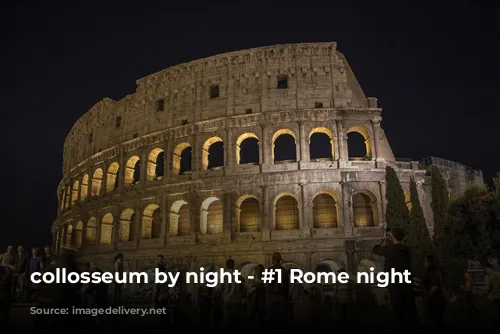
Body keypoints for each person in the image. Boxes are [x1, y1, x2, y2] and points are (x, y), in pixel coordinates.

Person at [372, 227, 420, 329]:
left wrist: (383, 239)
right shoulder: (408, 249)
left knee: (399, 311)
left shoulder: (389, 250)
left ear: (392, 236)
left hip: (395, 284)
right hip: (407, 282)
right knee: (411, 310)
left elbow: (375, 249)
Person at [422, 254, 446, 329]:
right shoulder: (432, 271)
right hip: (435, 300)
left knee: (436, 322)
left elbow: (434, 287)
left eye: (426, 261)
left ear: (429, 262)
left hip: (436, 301)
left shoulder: (433, 272)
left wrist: (427, 297)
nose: (424, 263)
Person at [265, 252, 290, 324]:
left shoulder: (269, 270)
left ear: (273, 260)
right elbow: (287, 287)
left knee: (270, 319)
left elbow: (266, 285)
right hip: (282, 297)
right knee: (281, 320)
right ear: (280, 260)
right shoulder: (285, 271)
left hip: (271, 297)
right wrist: (287, 299)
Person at [220, 258, 245, 326]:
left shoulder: (223, 275)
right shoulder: (238, 275)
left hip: (227, 300)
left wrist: (222, 295)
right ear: (233, 265)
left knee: (228, 320)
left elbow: (221, 288)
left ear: (226, 265)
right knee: (238, 320)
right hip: (236, 300)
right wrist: (243, 297)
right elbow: (242, 288)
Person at [483, 262, 500, 329]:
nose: (486, 270)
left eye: (486, 269)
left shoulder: (497, 274)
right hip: (493, 297)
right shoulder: (487, 277)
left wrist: (494, 290)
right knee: (494, 312)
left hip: (497, 295)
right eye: (485, 269)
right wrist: (482, 290)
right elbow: (487, 287)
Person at [0, 264, 14, 329]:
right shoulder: (7, 275)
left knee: (5, 313)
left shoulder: (6, 275)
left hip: (5, 296)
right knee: (5, 313)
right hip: (5, 296)